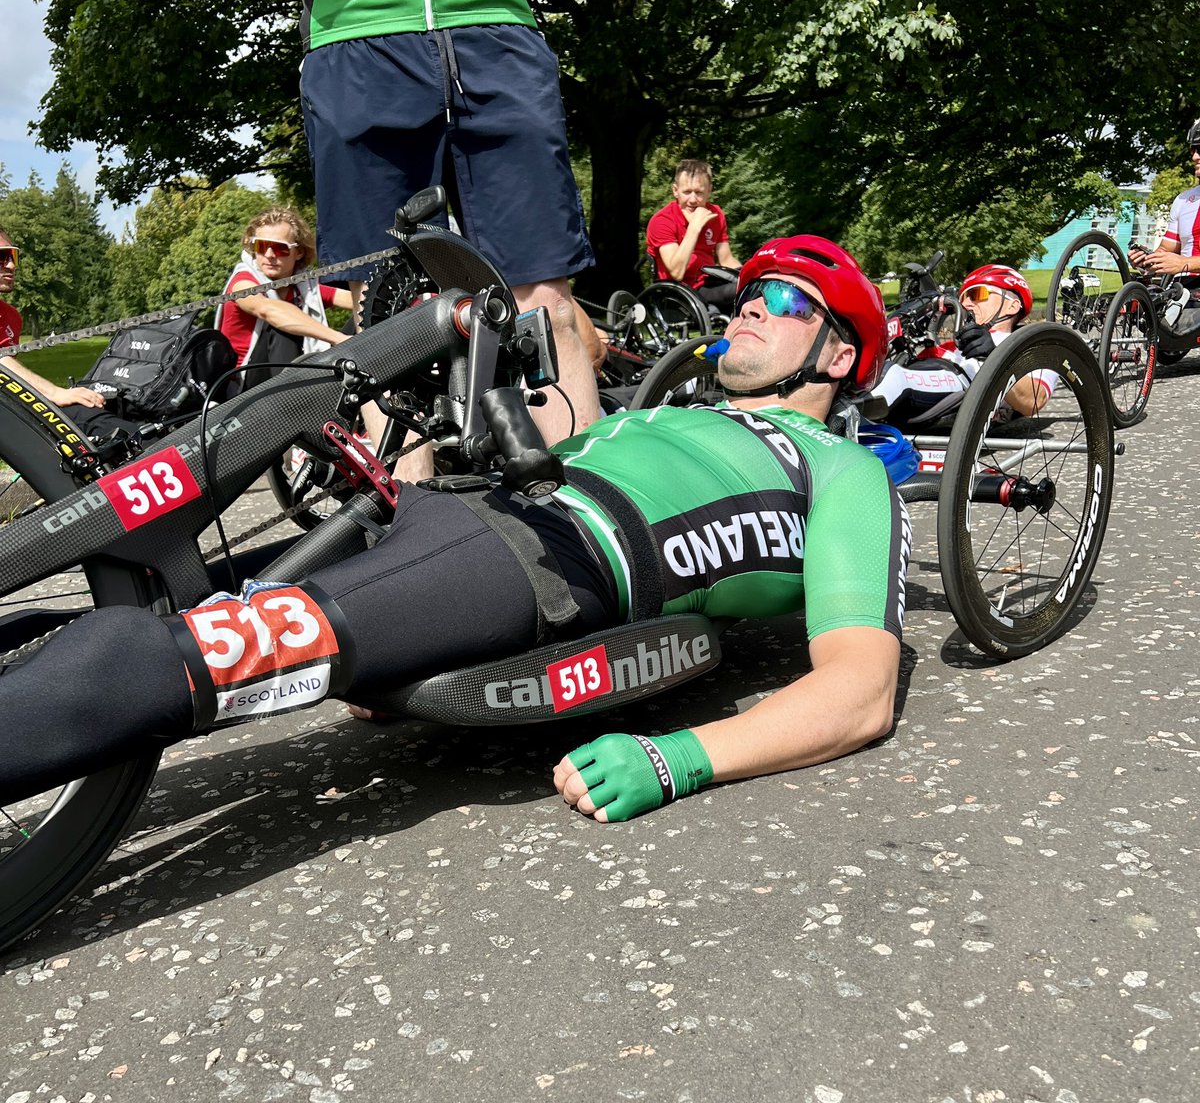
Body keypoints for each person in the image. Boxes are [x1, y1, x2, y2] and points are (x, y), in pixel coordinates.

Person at [0, 235, 908, 826]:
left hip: (545, 557)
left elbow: (860, 690)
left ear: (839, 354)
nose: (750, 307)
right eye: (750, 295)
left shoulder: (841, 470)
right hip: (454, 513)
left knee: (181, 658)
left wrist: (683, 759)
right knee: (152, 601)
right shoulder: (661, 413)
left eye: (786, 304)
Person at [291, 0, 600, 441]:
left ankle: (592, 499)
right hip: (357, 41)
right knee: (386, 315)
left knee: (547, 304)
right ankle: (410, 511)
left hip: (495, 32)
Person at [865, 264, 1054, 425]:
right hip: (930, 383)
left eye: (977, 294)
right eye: (963, 298)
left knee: (893, 376)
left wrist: (994, 357)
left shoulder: (1032, 346)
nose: (966, 304)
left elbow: (1034, 401)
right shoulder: (952, 345)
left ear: (1012, 305)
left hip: (963, 387)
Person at [0, 228, 131, 442]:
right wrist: (54, 394)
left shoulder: (11, 316)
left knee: (95, 418)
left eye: (12, 256)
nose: (12, 265)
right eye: (2, 257)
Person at [215, 209, 352, 392]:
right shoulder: (242, 282)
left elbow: (358, 300)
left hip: (290, 367)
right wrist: (339, 339)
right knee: (282, 325)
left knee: (363, 316)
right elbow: (268, 311)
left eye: (280, 248)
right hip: (242, 386)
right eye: (261, 247)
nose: (270, 255)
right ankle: (294, 402)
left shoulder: (306, 286)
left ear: (299, 252)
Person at [1128, 119, 1200, 334]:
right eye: (1193, 149)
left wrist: (1184, 263)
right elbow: (1167, 251)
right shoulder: (1183, 200)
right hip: (1184, 288)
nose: (1194, 156)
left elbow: (1179, 262)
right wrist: (1148, 262)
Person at [645, 159, 742, 310]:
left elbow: (726, 259)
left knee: (752, 285)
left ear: (709, 191)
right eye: (687, 192)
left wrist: (751, 274)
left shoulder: (716, 214)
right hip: (680, 290)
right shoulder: (662, 221)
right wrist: (694, 228)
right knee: (740, 290)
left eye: (699, 193)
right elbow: (676, 272)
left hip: (710, 281)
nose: (692, 200)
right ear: (675, 191)